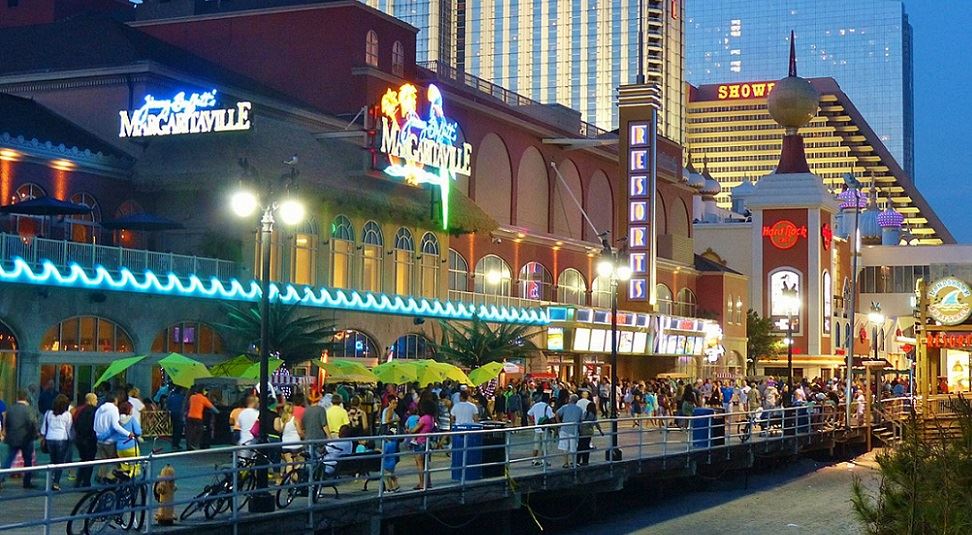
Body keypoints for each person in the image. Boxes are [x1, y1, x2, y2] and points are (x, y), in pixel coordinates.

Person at [1, 390, 39, 489]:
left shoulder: (11, 409)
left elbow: (6, 422)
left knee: (9, 459)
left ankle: (1, 477)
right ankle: (27, 482)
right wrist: (34, 435)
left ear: (18, 398)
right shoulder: (29, 409)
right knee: (27, 461)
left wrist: (7, 433)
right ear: (26, 398)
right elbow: (33, 423)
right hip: (26, 439)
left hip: (13, 438)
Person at [93, 388, 133, 482]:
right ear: (115, 400)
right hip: (111, 440)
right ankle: (109, 478)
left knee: (103, 461)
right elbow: (116, 426)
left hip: (100, 440)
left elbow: (94, 425)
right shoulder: (113, 409)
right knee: (115, 462)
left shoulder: (99, 409)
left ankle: (100, 477)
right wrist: (128, 433)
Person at [41, 394, 73, 491]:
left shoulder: (48, 413)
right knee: (60, 462)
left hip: (50, 438)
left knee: (53, 461)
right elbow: (69, 429)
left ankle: (51, 478)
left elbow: (43, 428)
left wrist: (43, 437)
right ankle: (56, 483)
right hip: (62, 438)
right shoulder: (67, 415)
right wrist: (71, 439)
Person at [408, 399, 436, 490]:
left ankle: (421, 483)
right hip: (426, 442)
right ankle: (428, 482)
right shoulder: (431, 418)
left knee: (419, 464)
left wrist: (409, 430)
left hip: (420, 442)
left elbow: (414, 430)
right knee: (425, 464)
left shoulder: (424, 418)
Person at [73, 393, 99, 488]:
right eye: (96, 400)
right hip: (89, 439)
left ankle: (78, 480)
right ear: (92, 400)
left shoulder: (79, 410)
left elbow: (75, 422)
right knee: (89, 461)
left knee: (83, 460)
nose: (97, 401)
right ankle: (86, 482)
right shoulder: (95, 411)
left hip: (79, 439)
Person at [112, 401, 142, 476]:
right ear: (129, 410)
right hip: (131, 447)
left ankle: (124, 483)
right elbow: (138, 432)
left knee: (125, 467)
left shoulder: (116, 420)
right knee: (134, 467)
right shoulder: (132, 420)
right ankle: (131, 482)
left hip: (120, 448)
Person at [275, 403, 304, 478]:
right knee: (299, 462)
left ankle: (289, 480)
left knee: (289, 463)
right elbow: (300, 432)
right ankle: (296, 479)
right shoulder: (295, 419)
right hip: (296, 444)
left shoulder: (282, 420)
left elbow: (279, 430)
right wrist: (304, 437)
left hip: (285, 444)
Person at [555, 394, 584, 469]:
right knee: (573, 447)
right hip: (573, 429)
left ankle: (566, 462)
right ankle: (574, 462)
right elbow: (581, 420)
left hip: (564, 428)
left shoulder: (564, 407)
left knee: (565, 447)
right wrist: (580, 430)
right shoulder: (579, 409)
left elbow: (557, 413)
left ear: (570, 400)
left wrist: (559, 423)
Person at [527, 394, 554, 467]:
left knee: (536, 445)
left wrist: (533, 422)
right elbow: (551, 418)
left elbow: (529, 413)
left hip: (537, 428)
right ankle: (544, 460)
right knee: (545, 445)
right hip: (545, 429)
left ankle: (534, 460)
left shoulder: (536, 405)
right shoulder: (547, 407)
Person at [381, 426, 401, 493]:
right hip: (393, 461)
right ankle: (396, 485)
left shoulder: (387, 445)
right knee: (392, 474)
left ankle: (390, 488)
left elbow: (384, 452)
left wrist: (379, 450)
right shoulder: (394, 443)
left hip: (387, 461)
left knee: (387, 476)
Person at [165, 387, 186, 451]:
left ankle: (174, 443)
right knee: (179, 429)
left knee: (174, 428)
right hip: (179, 414)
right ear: (180, 391)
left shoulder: (171, 397)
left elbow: (167, 406)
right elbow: (184, 406)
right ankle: (176, 443)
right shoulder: (182, 398)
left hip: (172, 414)